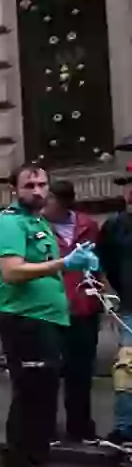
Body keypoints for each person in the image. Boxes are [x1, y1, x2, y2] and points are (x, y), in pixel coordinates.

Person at [0, 164, 97, 467]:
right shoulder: (9, 222)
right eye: (29, 185)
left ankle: (14, 462)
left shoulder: (38, 223)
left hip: (45, 318)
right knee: (38, 397)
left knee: (31, 393)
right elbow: (12, 271)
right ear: (14, 189)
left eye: (41, 184)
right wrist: (64, 263)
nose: (37, 190)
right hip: (25, 319)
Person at [44, 180, 103, 442]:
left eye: (49, 199)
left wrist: (99, 295)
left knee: (81, 371)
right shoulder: (37, 227)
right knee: (48, 372)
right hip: (50, 309)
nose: (43, 203)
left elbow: (100, 264)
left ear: (63, 202)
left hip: (84, 308)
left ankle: (80, 427)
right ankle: (47, 428)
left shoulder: (88, 226)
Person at [97, 163, 132, 445]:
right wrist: (111, 296)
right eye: (128, 184)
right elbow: (104, 262)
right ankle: (125, 428)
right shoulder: (115, 225)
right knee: (127, 369)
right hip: (130, 308)